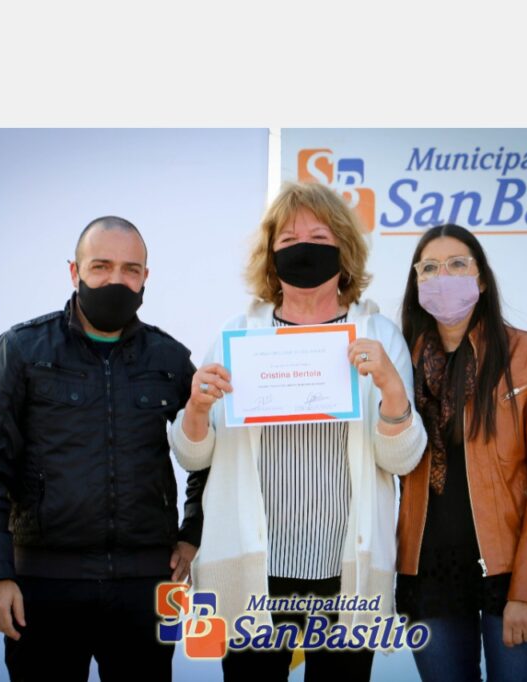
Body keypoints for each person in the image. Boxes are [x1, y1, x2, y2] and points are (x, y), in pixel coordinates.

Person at [169, 182, 427, 681]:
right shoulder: (235, 336)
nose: (303, 249)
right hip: (252, 573)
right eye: (287, 240)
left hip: (346, 574)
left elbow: (400, 460)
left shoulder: (380, 337)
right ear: (270, 256)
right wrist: (197, 409)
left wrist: (392, 388)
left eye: (318, 237)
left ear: (344, 249)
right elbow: (194, 457)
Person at [0, 216, 208, 682]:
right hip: (43, 587)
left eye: (131, 270)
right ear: (74, 272)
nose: (116, 280)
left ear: (146, 278)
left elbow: (209, 455)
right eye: (101, 266)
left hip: (144, 589)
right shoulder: (20, 351)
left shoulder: (169, 359)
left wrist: (193, 533)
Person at [394, 224, 527, 682]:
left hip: (510, 572)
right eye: (429, 268)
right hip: (429, 571)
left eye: (457, 264)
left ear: (482, 279)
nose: (442, 277)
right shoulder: (399, 361)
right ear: (416, 283)